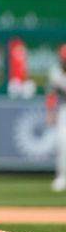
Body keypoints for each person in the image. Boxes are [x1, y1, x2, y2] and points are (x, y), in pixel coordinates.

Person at [46, 44, 66, 192]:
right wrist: (50, 113)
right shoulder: (56, 72)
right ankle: (62, 177)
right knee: (62, 142)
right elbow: (52, 94)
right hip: (64, 109)